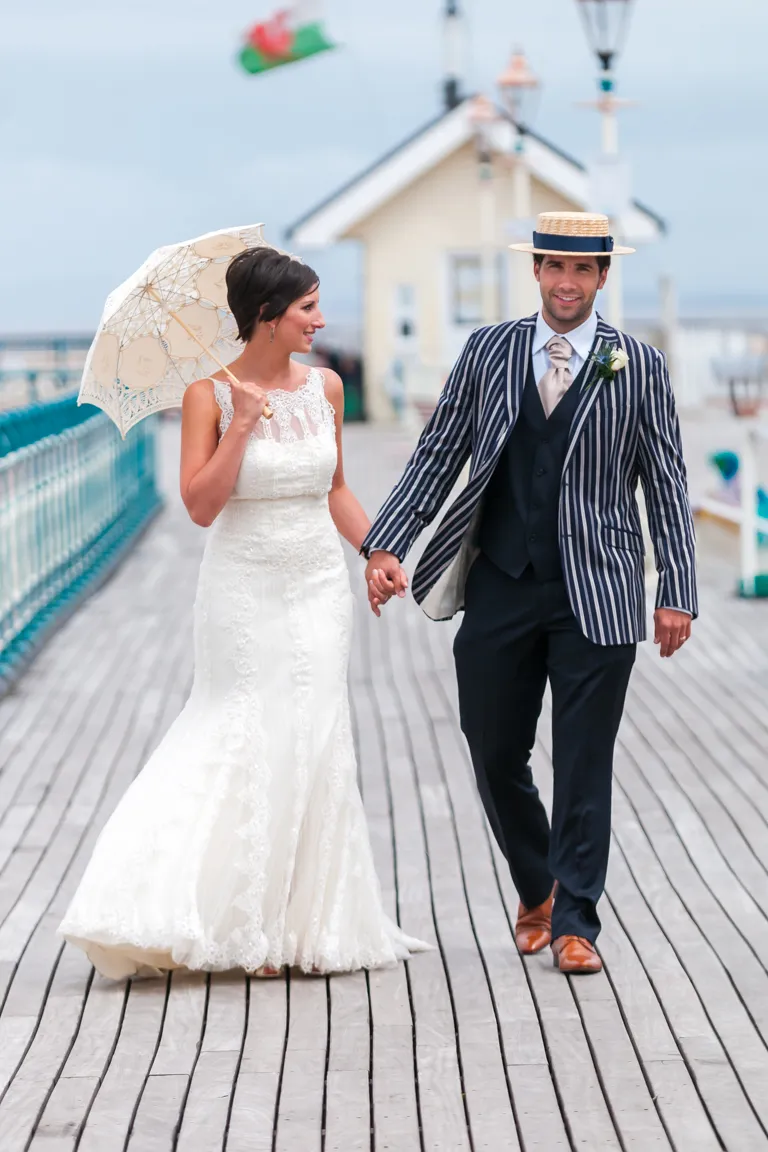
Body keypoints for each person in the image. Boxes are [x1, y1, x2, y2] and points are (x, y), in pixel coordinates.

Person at [59, 247, 428, 979]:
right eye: (307, 309)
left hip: (318, 585)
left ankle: (302, 924)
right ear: (265, 316)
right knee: (244, 728)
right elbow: (199, 506)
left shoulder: (326, 388)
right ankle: (238, 922)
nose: (321, 322)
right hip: (241, 587)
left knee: (315, 733)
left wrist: (376, 553)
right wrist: (242, 427)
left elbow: (337, 490)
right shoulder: (209, 395)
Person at [363, 212, 697, 975]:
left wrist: (676, 587)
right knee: (491, 747)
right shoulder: (489, 350)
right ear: (538, 270)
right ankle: (536, 886)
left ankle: (577, 921)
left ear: (604, 277)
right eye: (555, 268)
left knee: (584, 761)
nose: (568, 283)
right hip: (502, 583)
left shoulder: (637, 365)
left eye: (584, 271)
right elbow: (439, 452)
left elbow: (668, 486)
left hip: (601, 592)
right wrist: (387, 539)